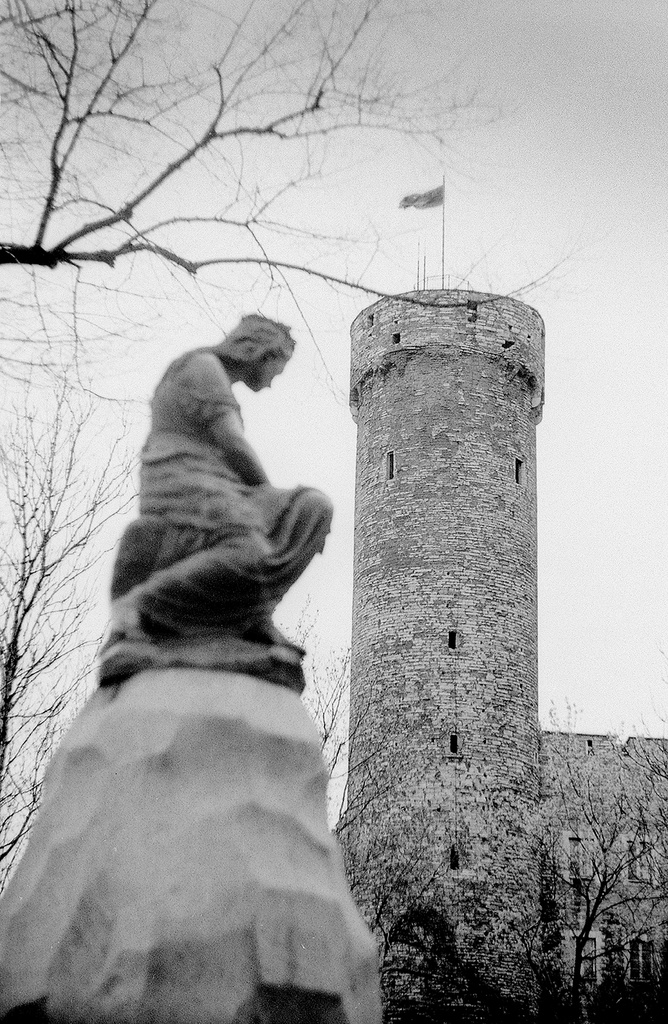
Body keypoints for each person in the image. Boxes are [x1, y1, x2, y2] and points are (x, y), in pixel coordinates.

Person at [99, 315, 333, 689]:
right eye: (276, 366)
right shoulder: (202, 367)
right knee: (253, 552)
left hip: (220, 486)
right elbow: (233, 444)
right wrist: (267, 495)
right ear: (256, 351)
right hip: (183, 482)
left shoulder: (212, 371)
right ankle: (140, 608)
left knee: (313, 508)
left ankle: (250, 614)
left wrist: (265, 499)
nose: (273, 381)